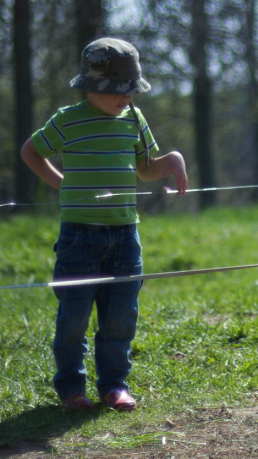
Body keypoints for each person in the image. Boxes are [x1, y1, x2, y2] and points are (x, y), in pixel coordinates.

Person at [20, 38, 188, 411]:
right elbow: (31, 151)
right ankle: (71, 388)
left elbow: (146, 170)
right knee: (74, 317)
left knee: (120, 317)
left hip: (125, 235)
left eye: (131, 91)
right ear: (90, 87)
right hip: (79, 236)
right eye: (117, 91)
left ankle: (114, 385)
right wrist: (61, 183)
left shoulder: (134, 119)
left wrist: (171, 160)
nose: (126, 98)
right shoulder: (68, 120)